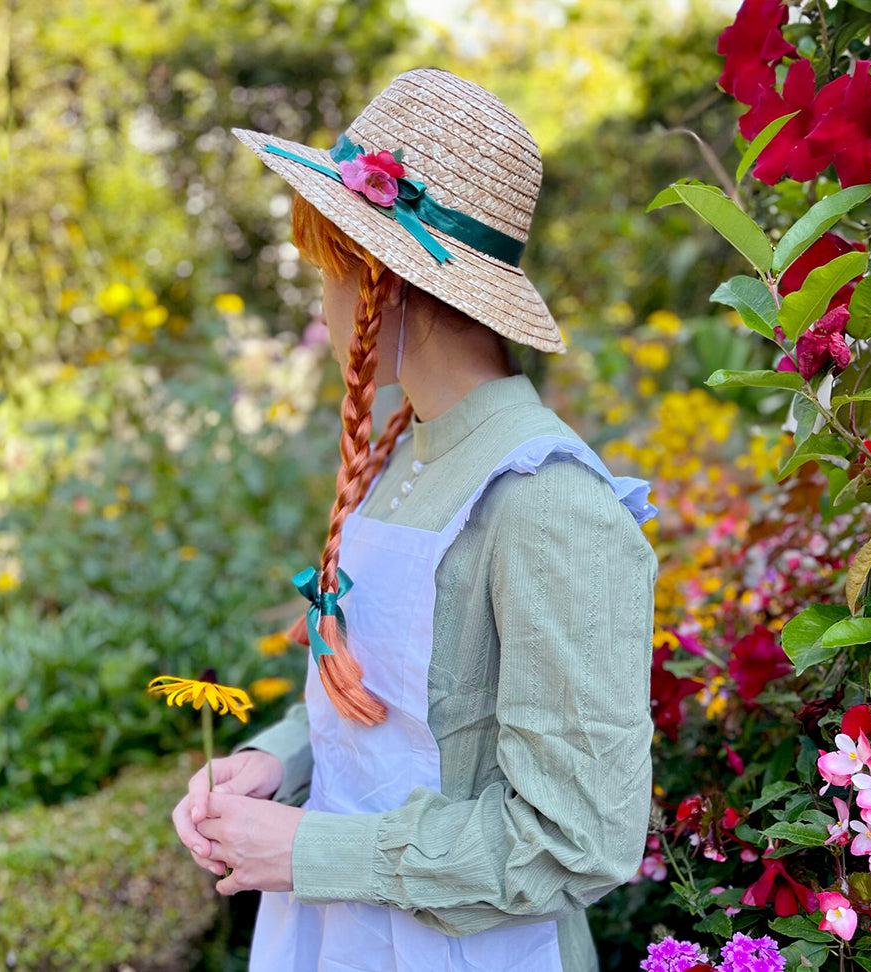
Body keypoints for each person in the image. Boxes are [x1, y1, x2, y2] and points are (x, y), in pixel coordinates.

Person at [172, 66, 660, 972]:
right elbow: (396, 712)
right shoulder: (407, 451)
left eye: (328, 271)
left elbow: (578, 841)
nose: (321, 302)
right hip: (338, 937)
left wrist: (312, 850)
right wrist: (279, 762)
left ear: (383, 282)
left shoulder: (546, 503)